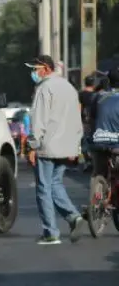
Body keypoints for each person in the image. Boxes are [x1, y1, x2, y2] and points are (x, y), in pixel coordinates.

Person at [26, 55, 87, 245]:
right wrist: (75, 145)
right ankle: (73, 217)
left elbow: (39, 120)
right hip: (66, 146)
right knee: (55, 184)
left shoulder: (44, 88)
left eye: (35, 68)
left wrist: (33, 145)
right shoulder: (68, 87)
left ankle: (51, 232)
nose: (34, 72)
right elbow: (77, 118)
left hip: (47, 146)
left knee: (44, 188)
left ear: (45, 68)